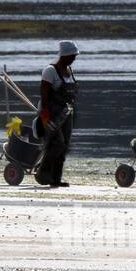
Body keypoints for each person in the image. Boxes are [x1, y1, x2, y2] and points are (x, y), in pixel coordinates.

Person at [34, 41, 78, 187]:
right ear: (64, 56)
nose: (74, 58)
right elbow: (44, 96)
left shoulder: (69, 70)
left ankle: (55, 179)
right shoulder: (50, 71)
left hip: (66, 114)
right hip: (51, 114)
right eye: (72, 56)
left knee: (65, 146)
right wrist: (45, 118)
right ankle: (42, 174)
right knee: (57, 144)